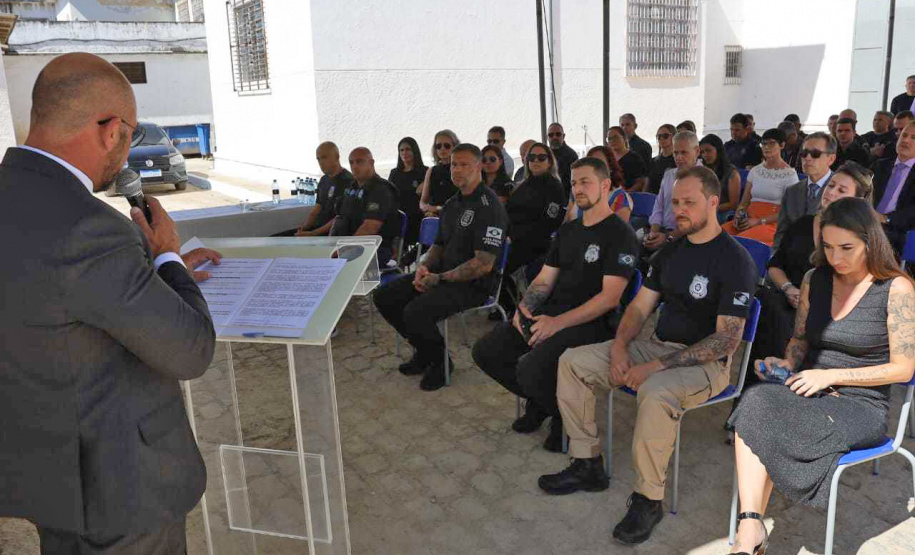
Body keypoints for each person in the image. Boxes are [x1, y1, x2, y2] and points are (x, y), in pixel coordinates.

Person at [0, 53, 218, 554]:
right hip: (121, 493)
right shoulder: (90, 227)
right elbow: (191, 351)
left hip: (49, 479)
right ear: (111, 130)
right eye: (131, 135)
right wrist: (167, 255)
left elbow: (53, 296)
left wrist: (149, 270)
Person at [539, 166, 756, 546]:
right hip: (655, 346)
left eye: (689, 203)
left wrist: (654, 367)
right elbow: (639, 308)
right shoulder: (671, 250)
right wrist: (620, 347)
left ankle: (648, 500)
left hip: (705, 365)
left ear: (713, 202)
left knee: (655, 393)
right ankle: (587, 463)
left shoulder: (735, 260)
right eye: (675, 202)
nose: (679, 210)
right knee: (573, 362)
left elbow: (726, 341)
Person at [727, 197, 915, 555]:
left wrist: (829, 376)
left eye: (846, 248)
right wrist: (787, 363)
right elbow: (800, 340)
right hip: (809, 387)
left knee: (774, 420)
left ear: (870, 242)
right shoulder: (815, 279)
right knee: (754, 401)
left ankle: (748, 537)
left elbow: (903, 368)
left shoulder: (896, 289)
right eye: (828, 247)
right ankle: (750, 526)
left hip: (862, 405)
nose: (835, 257)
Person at [473, 157, 639, 452]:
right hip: (553, 313)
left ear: (605, 185)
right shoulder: (568, 231)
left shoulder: (620, 234)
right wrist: (524, 309)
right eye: (573, 183)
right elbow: (544, 280)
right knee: (487, 351)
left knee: (531, 368)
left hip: (594, 324)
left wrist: (557, 323)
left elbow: (610, 298)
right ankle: (549, 404)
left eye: (585, 182)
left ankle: (563, 415)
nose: (578, 189)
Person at [374, 143, 509, 391]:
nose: (456, 170)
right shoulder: (452, 203)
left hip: (474, 285)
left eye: (464, 164)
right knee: (385, 297)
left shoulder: (489, 207)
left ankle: (441, 364)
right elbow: (438, 245)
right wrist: (424, 267)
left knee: (416, 311)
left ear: (478, 166)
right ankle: (426, 351)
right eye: (454, 164)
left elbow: (483, 264)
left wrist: (439, 278)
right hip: (443, 275)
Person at [751, 163, 873, 368]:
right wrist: (788, 288)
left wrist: (808, 301)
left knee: (784, 323)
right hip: (788, 300)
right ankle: (765, 376)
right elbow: (775, 265)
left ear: (857, 200)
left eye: (841, 190)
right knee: (766, 304)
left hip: (828, 311)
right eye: (831, 186)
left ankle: (782, 373)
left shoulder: (860, 239)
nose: (831, 193)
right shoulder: (803, 224)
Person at [499, 142, 566, 313]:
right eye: (531, 157)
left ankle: (514, 308)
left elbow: (550, 222)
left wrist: (515, 237)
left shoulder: (554, 186)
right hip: (512, 239)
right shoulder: (524, 183)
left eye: (541, 157)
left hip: (535, 243)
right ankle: (508, 307)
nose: (536, 161)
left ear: (549, 162)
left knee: (497, 266)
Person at [723, 128, 798, 246]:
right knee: (719, 234)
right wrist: (739, 215)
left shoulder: (790, 175)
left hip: (772, 223)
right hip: (750, 219)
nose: (766, 147)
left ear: (782, 145)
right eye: (764, 143)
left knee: (740, 241)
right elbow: (744, 202)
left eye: (771, 143)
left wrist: (759, 221)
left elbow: (789, 211)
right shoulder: (755, 171)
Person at [331, 147, 401, 267]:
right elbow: (339, 219)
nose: (354, 166)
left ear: (371, 163)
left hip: (373, 248)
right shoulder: (351, 188)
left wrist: (343, 250)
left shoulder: (381, 190)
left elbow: (369, 228)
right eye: (351, 162)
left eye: (359, 161)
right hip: (349, 245)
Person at [774, 132, 836, 248]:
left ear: (831, 159)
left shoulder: (842, 190)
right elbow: (781, 233)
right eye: (804, 153)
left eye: (815, 154)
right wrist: (777, 256)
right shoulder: (792, 191)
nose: (807, 158)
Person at [644, 130, 703, 251]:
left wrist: (667, 238)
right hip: (663, 232)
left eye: (684, 152)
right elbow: (658, 207)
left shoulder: (704, 179)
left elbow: (695, 222)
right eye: (675, 153)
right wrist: (653, 233)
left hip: (688, 237)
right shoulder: (669, 175)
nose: (679, 157)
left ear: (697, 151)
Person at [873, 119, 915, 252]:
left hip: (898, 231)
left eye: (913, 138)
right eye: (904, 135)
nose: (906, 140)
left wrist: (887, 219)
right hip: (868, 222)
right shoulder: (880, 165)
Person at [295, 141, 354, 237]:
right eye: (318, 159)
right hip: (317, 229)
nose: (321, 162)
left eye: (324, 157)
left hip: (332, 234)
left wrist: (312, 234)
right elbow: (316, 210)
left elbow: (340, 218)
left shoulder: (349, 181)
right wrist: (304, 228)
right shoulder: (324, 180)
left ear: (337, 157)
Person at [387, 137, 427, 249]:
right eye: (401, 150)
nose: (404, 153)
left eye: (408, 149)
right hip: (398, 217)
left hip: (416, 217)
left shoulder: (425, 172)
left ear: (414, 151)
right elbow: (390, 195)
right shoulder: (394, 173)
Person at [699, 133, 741, 220]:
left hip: (723, 213)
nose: (705, 155)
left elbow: (733, 204)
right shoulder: (703, 170)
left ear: (718, 150)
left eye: (708, 151)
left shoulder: (732, 173)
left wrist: (709, 209)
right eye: (702, 152)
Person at [420, 129, 460, 216]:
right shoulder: (431, 171)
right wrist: (427, 208)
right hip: (434, 217)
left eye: (447, 146)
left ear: (455, 147)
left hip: (456, 216)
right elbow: (422, 202)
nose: (442, 149)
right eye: (438, 146)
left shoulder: (461, 169)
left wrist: (438, 208)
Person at [606, 125, 648, 192]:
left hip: (629, 196)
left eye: (615, 137)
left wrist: (625, 194)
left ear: (624, 138)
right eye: (609, 139)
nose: (612, 141)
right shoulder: (607, 158)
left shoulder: (635, 158)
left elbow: (640, 182)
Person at [548, 122, 579, 198]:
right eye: (551, 135)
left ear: (563, 136)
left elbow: (574, 182)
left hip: (564, 198)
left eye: (558, 134)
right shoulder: (544, 154)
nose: (554, 137)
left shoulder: (572, 155)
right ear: (547, 137)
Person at [648, 124, 677, 194]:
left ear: (674, 136)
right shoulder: (653, 161)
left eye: (665, 136)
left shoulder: (678, 160)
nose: (661, 139)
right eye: (658, 137)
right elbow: (648, 183)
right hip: (654, 197)